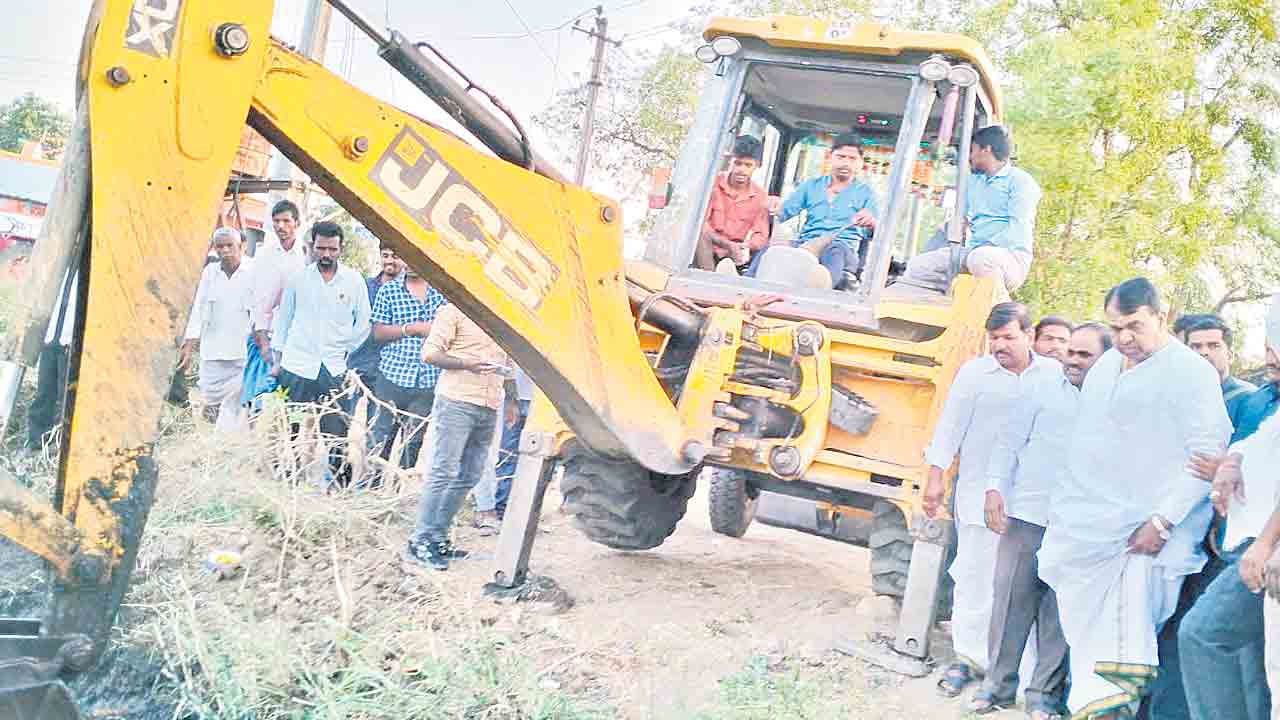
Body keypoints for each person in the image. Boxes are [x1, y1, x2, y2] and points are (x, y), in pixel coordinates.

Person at [1038, 278, 1231, 719]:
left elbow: (1206, 457)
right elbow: (1087, 442)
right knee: (1088, 637)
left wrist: (1162, 522)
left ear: (1160, 318)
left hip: (1150, 538)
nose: (1125, 337)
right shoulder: (1107, 365)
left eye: (1135, 326)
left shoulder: (1191, 372)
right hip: (1091, 529)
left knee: (1128, 646)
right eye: (1116, 326)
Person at [921, 301, 1063, 697]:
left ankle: (1015, 674)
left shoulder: (1053, 375)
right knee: (974, 578)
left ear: (1030, 336)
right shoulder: (975, 374)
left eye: (1008, 337)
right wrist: (935, 477)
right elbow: (950, 426)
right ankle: (967, 659)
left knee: (1021, 588)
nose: (1000, 345)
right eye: (994, 338)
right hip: (976, 496)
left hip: (1033, 505)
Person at [971, 322, 1112, 718]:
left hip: (1080, 527)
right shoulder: (1041, 386)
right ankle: (995, 689)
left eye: (1085, 355)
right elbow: (1009, 441)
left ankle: (1043, 698)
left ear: (1106, 359)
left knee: (1060, 614)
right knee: (1010, 604)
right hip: (1029, 516)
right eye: (1071, 352)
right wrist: (995, 488)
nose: (1072, 360)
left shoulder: (1115, 400)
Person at [1176, 296, 1280, 720]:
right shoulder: (1269, 397)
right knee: (1256, 666)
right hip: (1249, 541)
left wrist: (1268, 544)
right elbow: (1258, 439)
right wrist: (1232, 463)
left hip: (1262, 548)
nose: (1269, 357)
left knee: (1203, 636)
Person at [406, 303, 513, 571]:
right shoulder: (453, 311)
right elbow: (429, 354)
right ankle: (420, 541)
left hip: (489, 404)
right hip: (457, 400)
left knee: (470, 474)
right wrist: (466, 363)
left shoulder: (504, 314)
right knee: (444, 471)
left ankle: (438, 538)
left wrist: (511, 399)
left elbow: (508, 361)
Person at [272, 221, 372, 483]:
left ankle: (340, 486)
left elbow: (363, 324)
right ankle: (287, 482)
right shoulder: (298, 279)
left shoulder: (353, 281)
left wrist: (345, 352)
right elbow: (283, 320)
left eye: (332, 249)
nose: (326, 255)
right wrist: (278, 361)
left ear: (341, 248)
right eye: (321, 248)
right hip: (297, 368)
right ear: (312, 247)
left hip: (334, 370)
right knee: (290, 430)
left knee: (336, 431)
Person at [901, 126, 1042, 295]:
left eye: (972, 150)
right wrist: (949, 230)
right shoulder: (973, 182)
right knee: (919, 266)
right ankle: (943, 305)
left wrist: (983, 247)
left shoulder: (1020, 181)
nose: (970, 157)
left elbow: (1018, 228)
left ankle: (995, 312)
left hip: (1009, 257)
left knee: (981, 259)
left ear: (986, 149)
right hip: (972, 253)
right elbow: (962, 219)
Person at [749, 133, 879, 289]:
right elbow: (783, 212)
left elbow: (875, 231)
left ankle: (822, 287)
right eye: (841, 157)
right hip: (806, 244)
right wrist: (774, 206)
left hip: (842, 248)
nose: (846, 163)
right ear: (830, 157)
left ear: (860, 163)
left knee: (835, 250)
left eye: (852, 159)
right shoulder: (811, 186)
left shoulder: (866, 193)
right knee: (773, 248)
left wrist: (871, 222)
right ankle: (745, 282)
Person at [367, 266, 446, 473]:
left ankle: (396, 496)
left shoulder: (442, 294)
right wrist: (411, 329)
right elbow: (378, 332)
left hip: (426, 382)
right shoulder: (389, 290)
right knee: (380, 439)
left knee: (412, 444)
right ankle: (369, 493)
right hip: (392, 378)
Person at [180, 227, 255, 433]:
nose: (224, 250)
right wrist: (188, 344)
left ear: (242, 247)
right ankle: (216, 438)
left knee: (238, 403)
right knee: (211, 401)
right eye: (220, 246)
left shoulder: (255, 271)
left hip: (243, 351)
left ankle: (231, 443)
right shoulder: (210, 272)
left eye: (229, 245)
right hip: (213, 349)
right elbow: (198, 307)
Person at [242, 199, 308, 407]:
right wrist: (263, 341)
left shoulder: (306, 256)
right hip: (264, 334)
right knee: (255, 397)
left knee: (289, 401)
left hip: (294, 338)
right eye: (276, 221)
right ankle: (250, 437)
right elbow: (259, 301)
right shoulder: (264, 254)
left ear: (296, 223)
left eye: (286, 221)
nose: (281, 226)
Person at [695, 135, 771, 273]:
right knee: (701, 236)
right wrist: (727, 244)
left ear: (757, 166)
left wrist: (746, 246)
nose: (742, 170)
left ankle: (727, 275)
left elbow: (760, 235)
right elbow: (700, 226)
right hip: (705, 250)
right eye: (738, 163)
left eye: (748, 165)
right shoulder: (712, 184)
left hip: (734, 257)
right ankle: (711, 279)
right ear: (730, 160)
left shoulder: (760, 197)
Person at [25, 270, 77, 450]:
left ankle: (62, 444)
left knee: (67, 396)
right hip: (51, 337)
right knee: (44, 392)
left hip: (70, 341)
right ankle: (36, 440)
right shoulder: (60, 269)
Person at [346, 245, 404, 400]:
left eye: (395, 256)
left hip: (393, 370)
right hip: (360, 363)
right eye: (385, 256)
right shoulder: (364, 287)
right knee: (351, 418)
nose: (390, 261)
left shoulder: (411, 291)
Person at [1182, 314, 1255, 419]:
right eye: (1196, 346)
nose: (1204, 352)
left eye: (1214, 346)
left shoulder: (1249, 398)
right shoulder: (1178, 398)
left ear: (1230, 355)